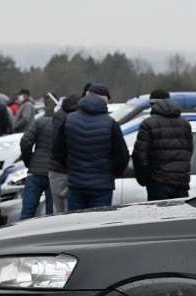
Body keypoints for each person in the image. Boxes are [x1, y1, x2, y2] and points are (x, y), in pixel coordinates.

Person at [51, 82, 128, 211]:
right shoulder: (111, 124)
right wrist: (111, 173)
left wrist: (71, 167)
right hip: (102, 185)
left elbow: (57, 151)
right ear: (104, 101)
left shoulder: (69, 120)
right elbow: (123, 156)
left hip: (76, 183)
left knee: (77, 225)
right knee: (98, 225)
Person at [132, 89, 193, 201]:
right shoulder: (185, 123)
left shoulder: (148, 124)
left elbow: (140, 156)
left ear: (152, 104)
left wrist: (144, 179)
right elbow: (189, 151)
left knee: (159, 217)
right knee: (180, 217)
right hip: (181, 182)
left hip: (157, 182)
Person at [19, 94, 56, 220]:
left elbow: (25, 141)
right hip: (54, 173)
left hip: (35, 172)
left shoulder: (40, 122)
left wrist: (29, 161)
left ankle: (21, 238)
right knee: (52, 216)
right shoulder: (64, 124)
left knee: (27, 214)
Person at [47, 93, 80, 213]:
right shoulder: (78, 117)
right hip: (74, 169)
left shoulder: (58, 115)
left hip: (56, 169)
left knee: (58, 209)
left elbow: (57, 146)